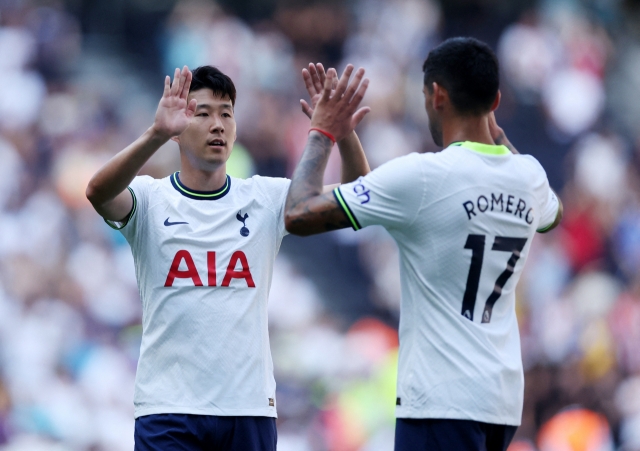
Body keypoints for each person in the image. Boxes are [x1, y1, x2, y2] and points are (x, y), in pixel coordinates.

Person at [284, 37, 563, 451]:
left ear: (437, 95)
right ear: (497, 99)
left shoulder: (425, 177)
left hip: (441, 401)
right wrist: (349, 137)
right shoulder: (530, 177)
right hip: (501, 403)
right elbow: (552, 217)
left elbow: (299, 213)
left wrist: (323, 131)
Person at [85, 64, 370, 450]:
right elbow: (98, 193)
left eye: (226, 113)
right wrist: (155, 134)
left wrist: (343, 131)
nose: (217, 124)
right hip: (168, 408)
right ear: (178, 126)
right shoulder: (150, 199)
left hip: (248, 408)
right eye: (202, 113)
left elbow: (359, 195)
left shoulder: (266, 198)